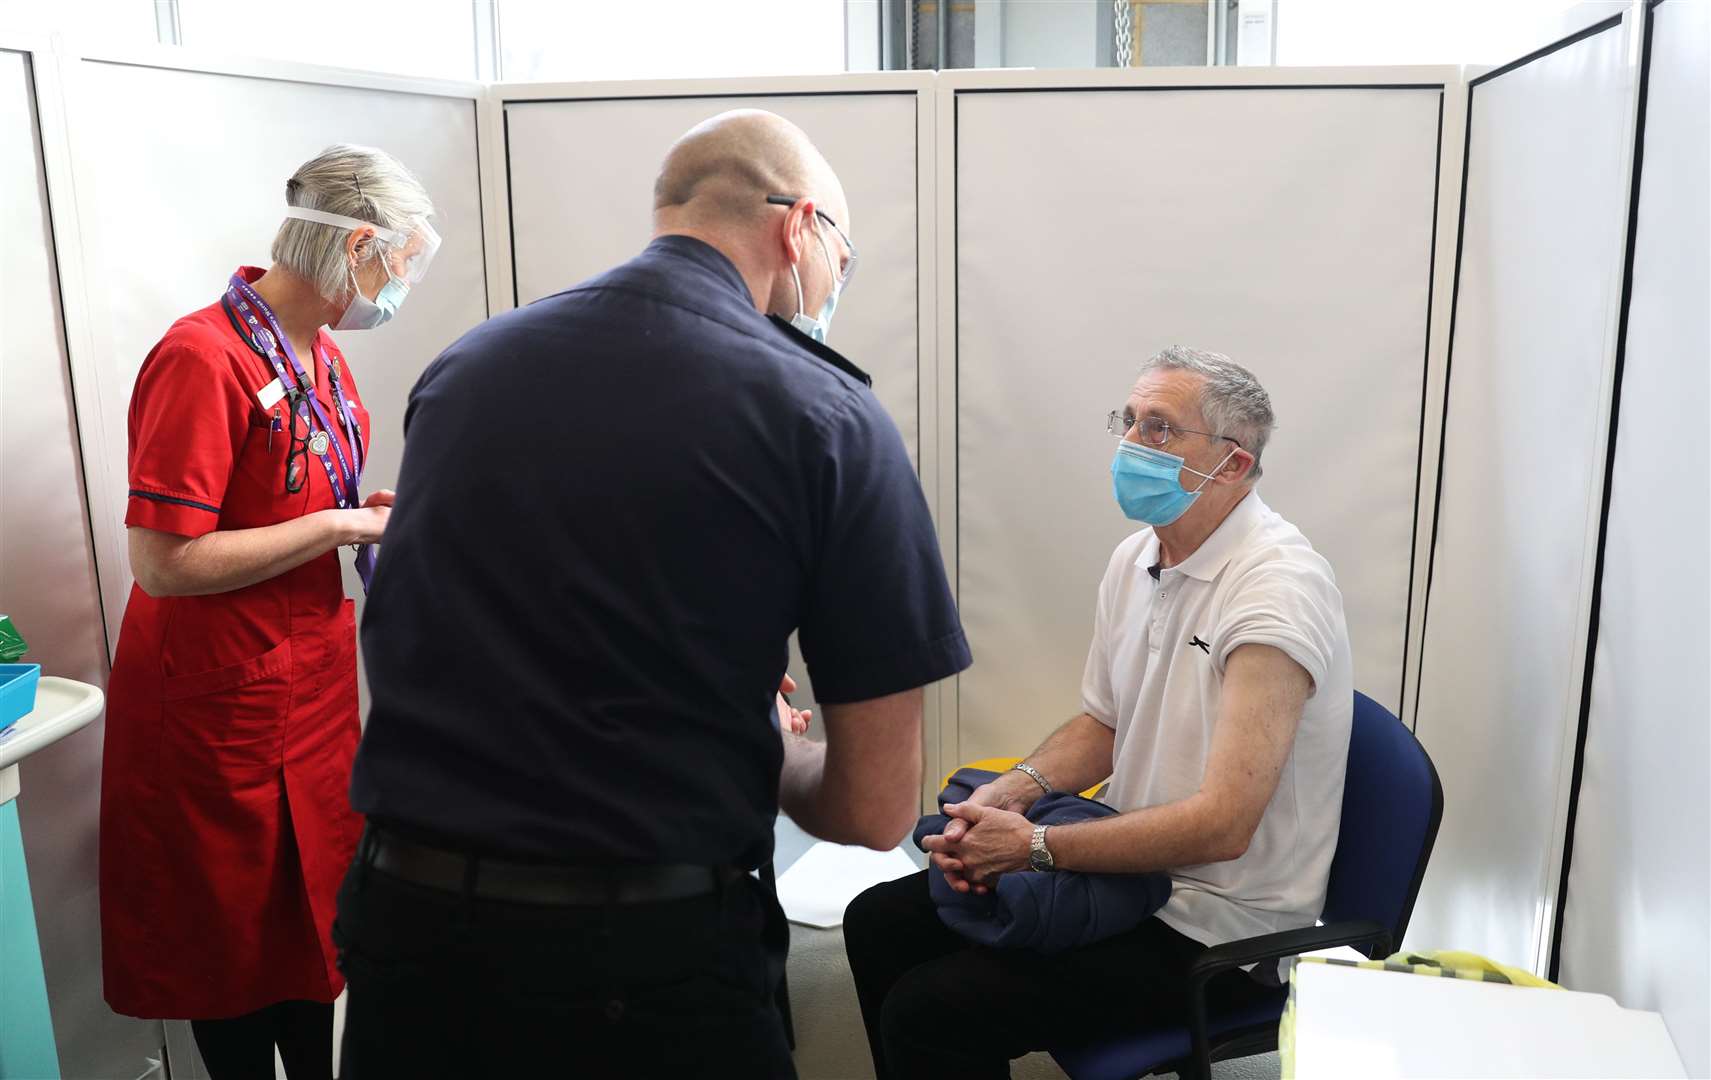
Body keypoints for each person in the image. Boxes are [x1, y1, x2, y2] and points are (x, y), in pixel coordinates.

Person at [335, 109, 971, 1078]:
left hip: (408, 939)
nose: (835, 284)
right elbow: (873, 809)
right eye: (843, 255)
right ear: (799, 228)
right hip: (638, 966)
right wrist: (766, 741)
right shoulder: (824, 417)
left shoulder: (466, 370)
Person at [845, 347, 1353, 1079]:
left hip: (1214, 924)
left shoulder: (1276, 594)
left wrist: (1034, 849)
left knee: (932, 1011)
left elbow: (1224, 825)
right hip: (1129, 872)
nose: (1129, 445)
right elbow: (1103, 727)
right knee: (877, 923)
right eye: (1129, 421)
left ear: (1232, 465)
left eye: (1158, 429)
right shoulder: (1139, 559)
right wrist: (1006, 794)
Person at [100, 144, 441, 1079]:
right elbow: (164, 563)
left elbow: (291, 494)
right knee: (227, 944)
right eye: (402, 262)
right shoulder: (198, 354)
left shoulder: (320, 356)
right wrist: (335, 524)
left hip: (309, 686)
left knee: (312, 928)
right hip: (214, 702)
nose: (398, 284)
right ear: (361, 244)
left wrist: (359, 514)